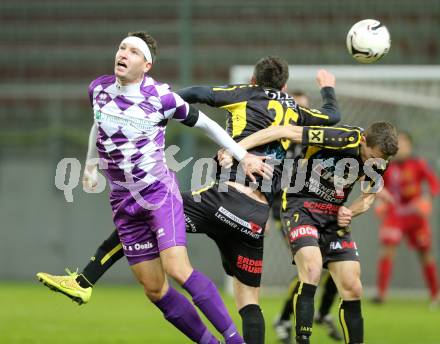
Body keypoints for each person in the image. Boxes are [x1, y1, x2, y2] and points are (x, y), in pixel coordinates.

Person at [37, 57, 341, 344]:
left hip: (222, 199)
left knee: (149, 208)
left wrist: (152, 103)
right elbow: (332, 117)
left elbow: (199, 93)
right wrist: (327, 87)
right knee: (249, 301)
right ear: (285, 87)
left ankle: (85, 279)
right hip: (255, 215)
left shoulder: (245, 93)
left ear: (253, 79)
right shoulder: (298, 113)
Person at [271, 91, 342, 343]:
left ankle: (320, 314)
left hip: (317, 211)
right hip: (287, 211)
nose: (300, 116)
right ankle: (283, 319)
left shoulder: (314, 142)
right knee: (311, 267)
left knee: (330, 265)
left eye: (304, 110)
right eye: (296, 110)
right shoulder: (278, 142)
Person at [373, 131, 440, 305]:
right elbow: (378, 187)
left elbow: (433, 184)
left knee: (425, 253)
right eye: (397, 144)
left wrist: (426, 199)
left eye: (404, 144)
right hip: (394, 214)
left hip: (415, 215)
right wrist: (379, 203)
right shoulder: (386, 166)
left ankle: (435, 294)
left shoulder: (419, 164)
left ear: (410, 146)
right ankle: (381, 295)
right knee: (387, 250)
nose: (400, 148)